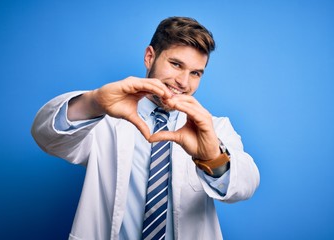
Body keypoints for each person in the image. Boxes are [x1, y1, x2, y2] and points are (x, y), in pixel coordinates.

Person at [31, 16, 260, 240]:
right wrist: (94, 102)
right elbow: (46, 135)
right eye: (176, 64)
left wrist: (211, 156)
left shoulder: (214, 127)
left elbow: (245, 185)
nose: (183, 82)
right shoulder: (105, 119)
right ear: (150, 57)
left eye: (195, 73)